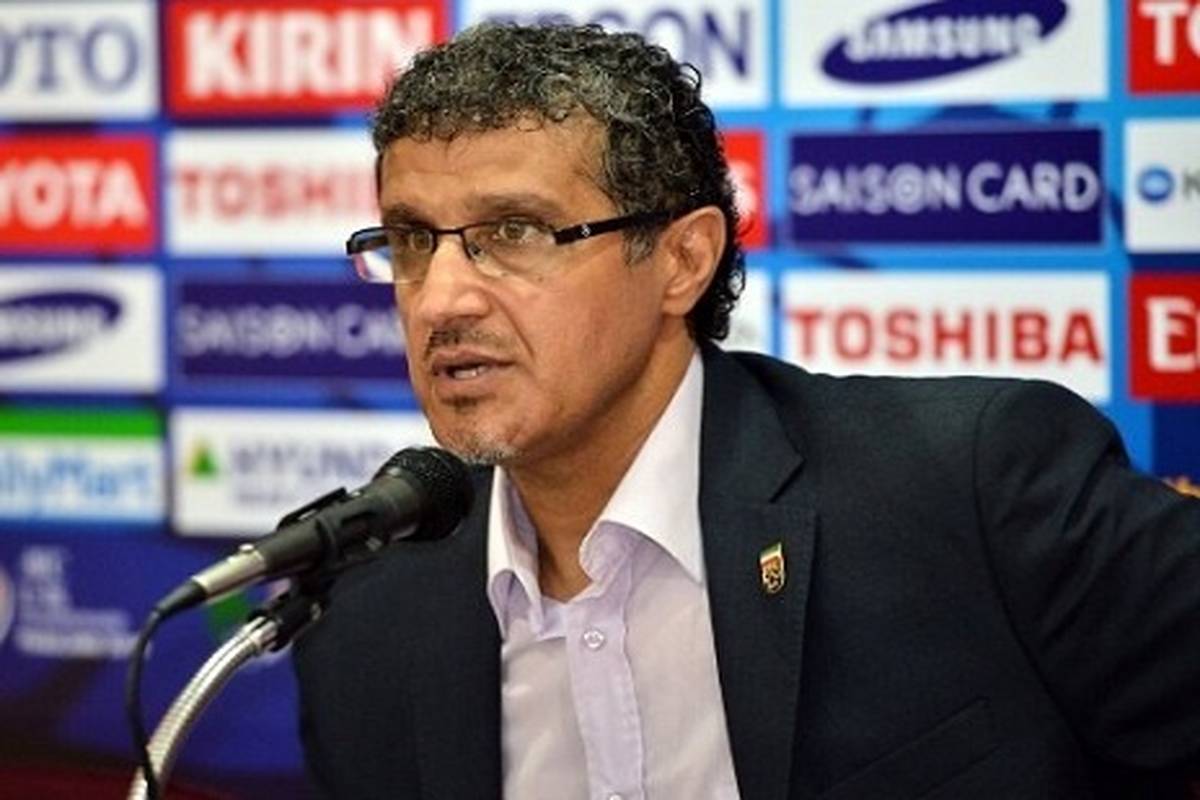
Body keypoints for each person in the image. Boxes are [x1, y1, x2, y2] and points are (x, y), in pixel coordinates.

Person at [292, 23, 1200, 800]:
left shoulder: (972, 488)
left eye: (513, 234)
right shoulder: (367, 630)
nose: (441, 298)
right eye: (412, 240)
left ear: (682, 261)